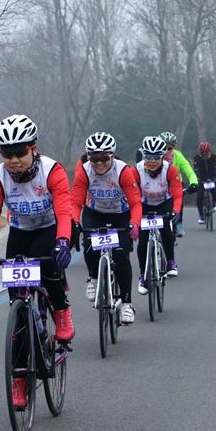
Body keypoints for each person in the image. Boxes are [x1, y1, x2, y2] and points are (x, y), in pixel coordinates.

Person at [0, 114, 74, 409]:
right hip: (21, 230)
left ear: (33, 148)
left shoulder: (53, 171)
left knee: (48, 265)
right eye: (7, 154)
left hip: (51, 226)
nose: (13, 160)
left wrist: (63, 241)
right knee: (19, 313)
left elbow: (65, 210)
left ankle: (61, 310)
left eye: (20, 152)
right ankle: (20, 379)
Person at [71, 132, 142, 324]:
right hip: (96, 212)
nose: (99, 163)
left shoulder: (123, 171)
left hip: (121, 214)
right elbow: (75, 202)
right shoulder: (85, 171)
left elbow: (136, 202)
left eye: (104, 158)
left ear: (112, 156)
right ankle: (93, 278)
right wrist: (74, 223)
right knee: (89, 244)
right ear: (88, 157)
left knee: (121, 256)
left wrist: (135, 222)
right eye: (94, 158)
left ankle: (127, 304)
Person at [133, 136, 184, 289]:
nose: (152, 160)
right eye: (149, 156)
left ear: (162, 156)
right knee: (142, 241)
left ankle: (170, 262)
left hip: (163, 202)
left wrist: (175, 211)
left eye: (156, 157)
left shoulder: (170, 169)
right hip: (144, 204)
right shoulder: (136, 170)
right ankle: (143, 275)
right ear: (143, 156)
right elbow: (131, 194)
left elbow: (177, 193)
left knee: (166, 230)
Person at [159, 132, 198, 237]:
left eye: (170, 147)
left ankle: (179, 223)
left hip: (176, 184)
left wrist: (194, 183)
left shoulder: (178, 156)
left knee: (179, 200)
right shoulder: (156, 157)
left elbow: (189, 171)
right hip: (159, 185)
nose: (168, 150)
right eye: (165, 147)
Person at [192, 141, 216, 223]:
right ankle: (201, 215)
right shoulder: (196, 158)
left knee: (214, 190)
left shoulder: (214, 157)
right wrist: (197, 178)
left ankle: (214, 202)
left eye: (206, 152)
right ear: (200, 151)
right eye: (202, 152)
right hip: (201, 179)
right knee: (200, 196)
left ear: (209, 151)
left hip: (211, 177)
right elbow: (196, 170)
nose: (204, 154)